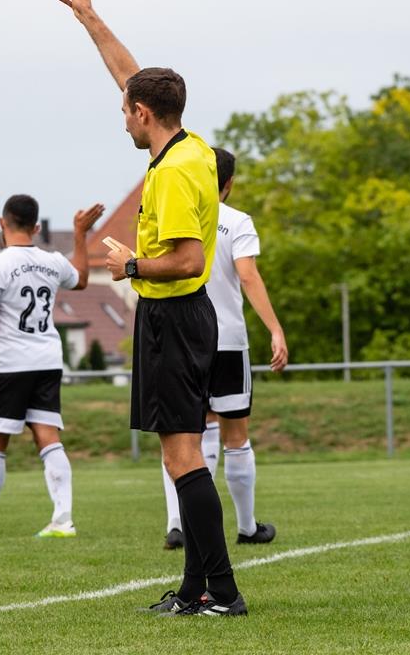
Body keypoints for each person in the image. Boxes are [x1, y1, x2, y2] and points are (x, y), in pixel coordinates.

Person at [56, 0, 246, 617]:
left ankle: (221, 591)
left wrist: (131, 262)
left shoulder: (167, 175)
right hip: (191, 320)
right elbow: (131, 77)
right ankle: (195, 590)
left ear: (143, 115)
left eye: (125, 109)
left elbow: (190, 259)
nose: (122, 114)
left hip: (173, 316)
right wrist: (89, 17)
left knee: (182, 454)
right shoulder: (191, 146)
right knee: (185, 453)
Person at [0, 195, 105, 539]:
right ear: (36, 227)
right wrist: (80, 233)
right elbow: (80, 279)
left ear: (2, 223)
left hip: (9, 364)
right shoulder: (51, 261)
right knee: (48, 437)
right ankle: (63, 520)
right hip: (47, 360)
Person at [161, 147, 288, 550]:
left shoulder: (176, 217)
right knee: (236, 434)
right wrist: (275, 329)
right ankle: (247, 526)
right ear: (229, 184)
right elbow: (248, 277)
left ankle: (177, 523)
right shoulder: (236, 221)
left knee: (182, 434)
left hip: (181, 340)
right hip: (228, 340)